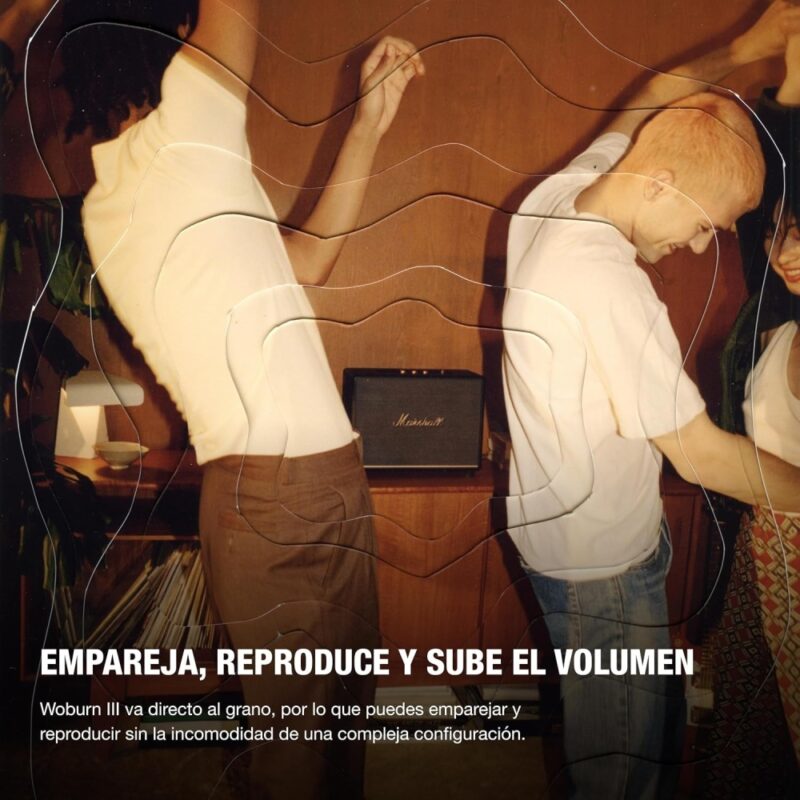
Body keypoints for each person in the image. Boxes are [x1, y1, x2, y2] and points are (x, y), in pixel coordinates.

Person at [67, 1, 423, 797]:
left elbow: (310, 260)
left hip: (314, 480)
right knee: (302, 757)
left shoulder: (138, 188)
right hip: (278, 495)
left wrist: (367, 123)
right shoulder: (181, 144)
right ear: (166, 38)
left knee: (328, 741)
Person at [502, 2, 800, 797]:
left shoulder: (563, 193)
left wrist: (747, 46)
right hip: (601, 572)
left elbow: (650, 96)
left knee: (639, 735)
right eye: (705, 226)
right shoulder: (608, 284)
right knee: (625, 773)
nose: (696, 247)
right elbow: (702, 454)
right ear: (663, 183)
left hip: (573, 545)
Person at [706, 34, 800, 795]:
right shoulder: (771, 331)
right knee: (746, 731)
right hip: (758, 557)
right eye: (782, 233)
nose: (787, 251)